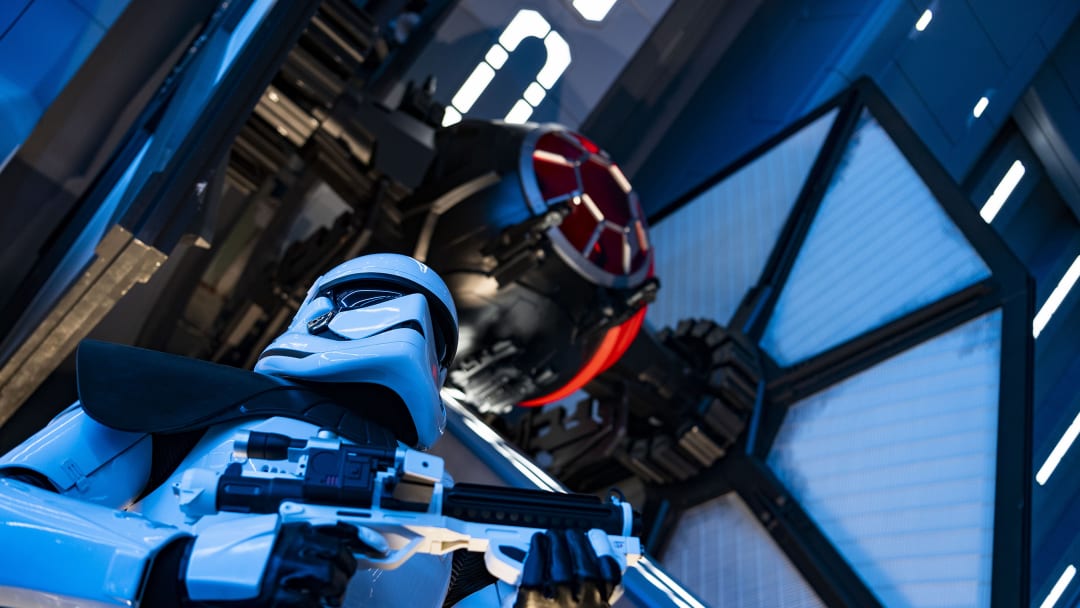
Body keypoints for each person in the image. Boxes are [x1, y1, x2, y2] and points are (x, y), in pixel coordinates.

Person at [0, 253, 624, 607]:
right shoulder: (187, 406)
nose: (410, 329)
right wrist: (174, 567)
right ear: (319, 312)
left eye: (437, 341)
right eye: (379, 298)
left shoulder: (436, 524)